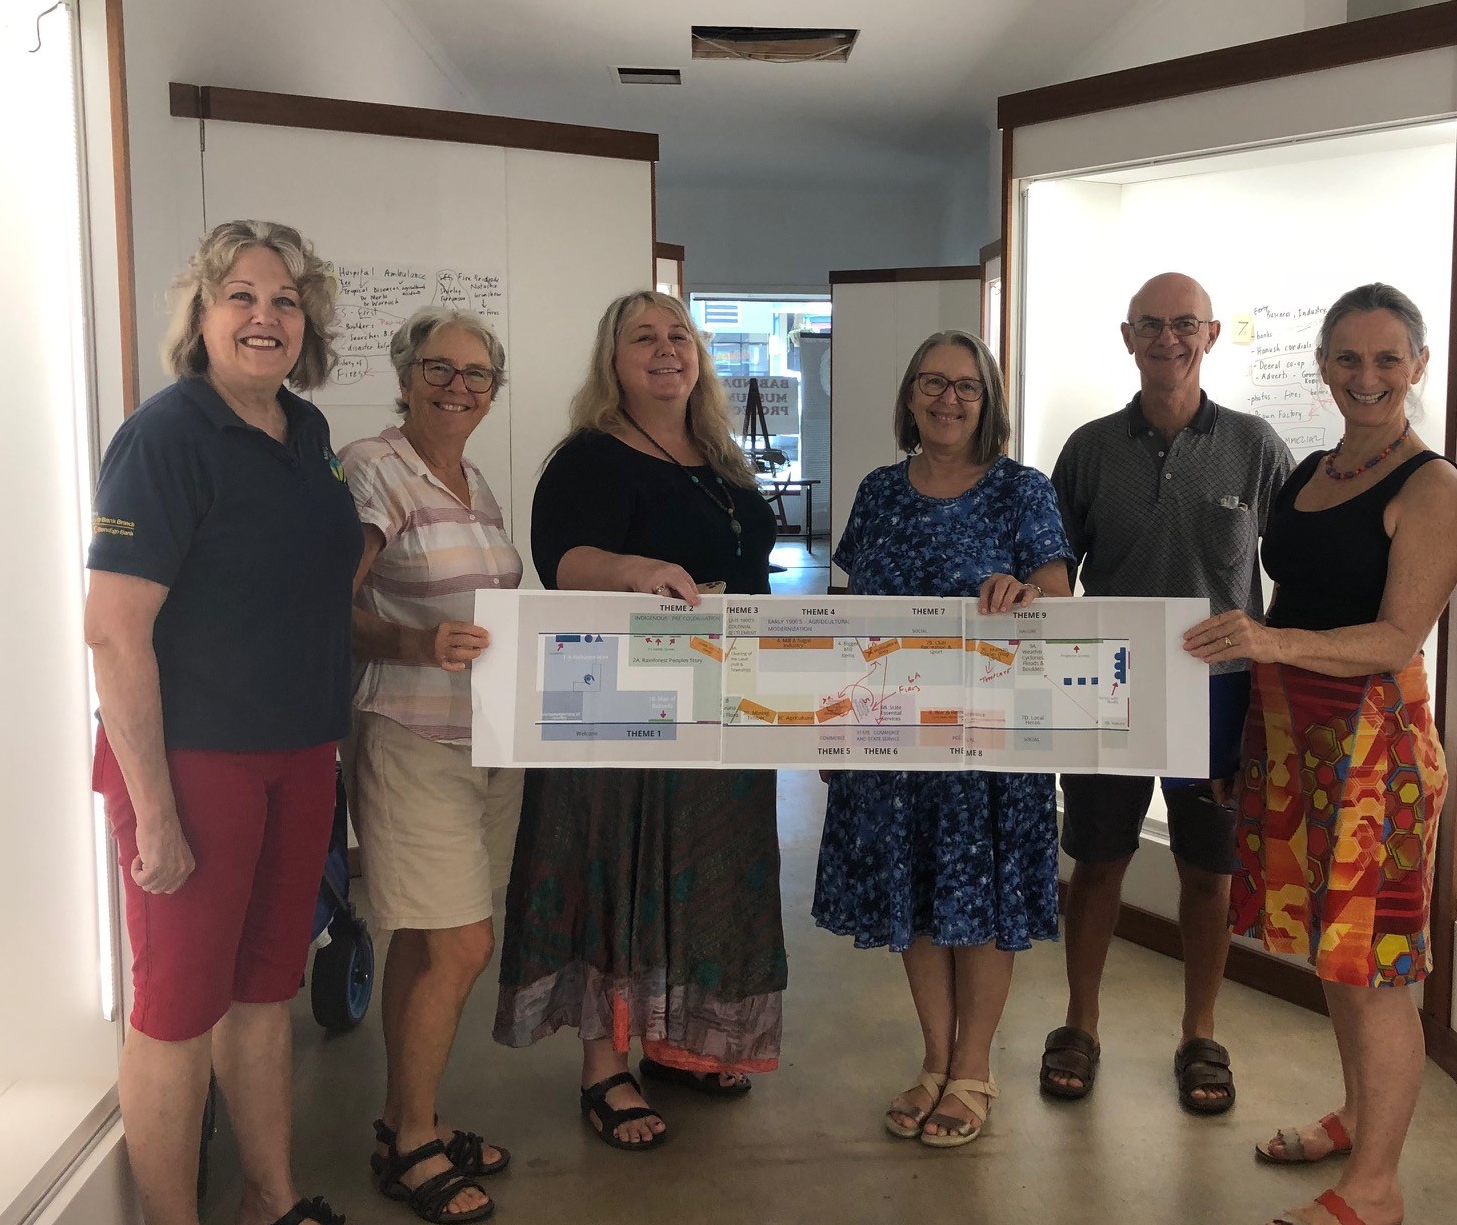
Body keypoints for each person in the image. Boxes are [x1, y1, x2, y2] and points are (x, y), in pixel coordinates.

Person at [84, 221, 377, 1225]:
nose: (266, 316)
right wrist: (154, 812)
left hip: (299, 754)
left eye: (287, 299)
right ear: (201, 314)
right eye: (241, 296)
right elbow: (114, 632)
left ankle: (269, 1202)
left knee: (266, 993)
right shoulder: (165, 438)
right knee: (175, 1011)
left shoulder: (308, 432)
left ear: (309, 323)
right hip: (194, 764)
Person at [1183, 281, 1457, 1225]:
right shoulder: (1311, 468)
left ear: (1418, 366)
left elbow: (1397, 638)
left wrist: (1269, 643)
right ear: (1324, 365)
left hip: (1375, 754)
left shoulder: (1430, 485)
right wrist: (1247, 740)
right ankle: (1357, 1116)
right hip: (1293, 739)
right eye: (1349, 357)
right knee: (1335, 957)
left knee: (1374, 970)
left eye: (1388, 358)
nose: (1367, 376)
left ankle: (1376, 1187)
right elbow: (1290, 599)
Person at [493, 290, 785, 1151]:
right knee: (617, 874)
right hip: (624, 711)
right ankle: (603, 1068)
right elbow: (563, 559)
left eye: (678, 335)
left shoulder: (723, 459)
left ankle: (682, 1042)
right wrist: (635, 569)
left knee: (708, 872)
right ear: (612, 362)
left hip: (726, 706)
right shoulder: (588, 457)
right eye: (643, 338)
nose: (666, 350)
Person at [812, 330, 1073, 1148]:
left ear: (987, 399)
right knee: (916, 896)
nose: (948, 399)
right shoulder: (878, 491)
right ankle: (933, 1060)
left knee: (982, 904)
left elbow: (1059, 595)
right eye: (932, 383)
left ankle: (973, 1069)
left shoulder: (1021, 490)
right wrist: (832, 724)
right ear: (910, 395)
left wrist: (1023, 591)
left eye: (965, 385)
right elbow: (851, 611)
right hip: (894, 739)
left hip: (990, 745)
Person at [1043, 271, 1293, 1115]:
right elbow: (1054, 566)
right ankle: (1080, 1022)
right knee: (1097, 862)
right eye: (1150, 324)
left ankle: (1200, 1032)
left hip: (1219, 699)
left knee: (1207, 871)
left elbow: (1293, 574)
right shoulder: (1089, 449)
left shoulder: (1257, 447)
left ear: (1211, 335)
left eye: (1185, 323)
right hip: (1110, 687)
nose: (1168, 339)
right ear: (1128, 338)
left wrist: (1276, 677)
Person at [340, 308, 520, 1225]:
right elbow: (330, 602)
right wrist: (415, 643)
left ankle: (404, 1121)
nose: (457, 386)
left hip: (485, 742)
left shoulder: (475, 483)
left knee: (426, 941)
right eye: (438, 369)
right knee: (460, 944)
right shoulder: (373, 468)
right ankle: (412, 1145)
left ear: (493, 392)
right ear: (406, 377)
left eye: (476, 374)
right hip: (412, 736)